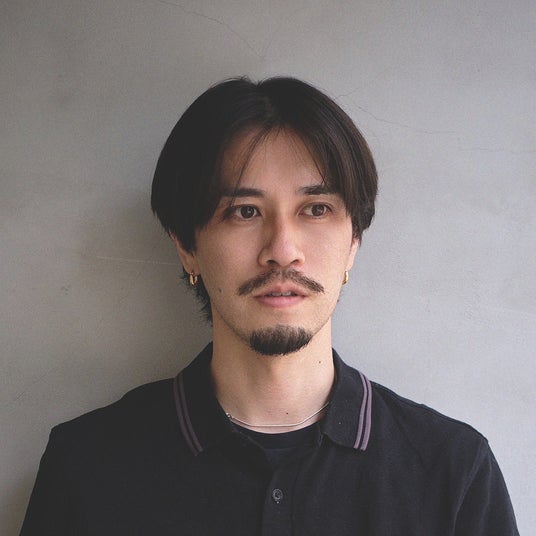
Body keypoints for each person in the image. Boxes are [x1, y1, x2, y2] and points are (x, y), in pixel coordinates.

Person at [20, 77, 519, 535]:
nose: (282, 250)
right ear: (187, 246)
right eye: (245, 211)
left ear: (354, 241)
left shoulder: (453, 472)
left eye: (316, 209)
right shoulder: (86, 468)